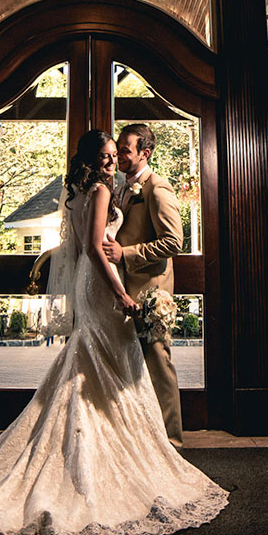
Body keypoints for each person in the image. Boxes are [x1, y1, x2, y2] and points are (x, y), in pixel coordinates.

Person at [0, 130, 227, 535]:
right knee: (104, 361)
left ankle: (144, 444)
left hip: (98, 282)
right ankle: (118, 450)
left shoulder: (83, 191)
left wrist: (121, 264)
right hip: (104, 283)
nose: (114, 162)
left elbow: (151, 242)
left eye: (118, 154)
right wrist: (121, 292)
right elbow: (95, 247)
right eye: (108, 156)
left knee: (98, 361)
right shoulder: (99, 192)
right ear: (93, 160)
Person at [103, 123, 185, 447]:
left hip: (152, 290)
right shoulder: (121, 187)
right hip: (126, 289)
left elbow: (173, 241)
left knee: (158, 361)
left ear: (145, 153)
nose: (120, 155)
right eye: (119, 149)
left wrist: (127, 253)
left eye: (125, 150)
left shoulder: (158, 188)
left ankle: (173, 442)